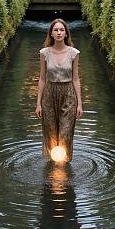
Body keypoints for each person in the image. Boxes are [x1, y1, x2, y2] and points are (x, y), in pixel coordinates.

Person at [35, 19, 83, 162]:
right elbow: (42, 79)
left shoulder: (74, 53)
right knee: (51, 133)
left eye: (62, 30)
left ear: (66, 33)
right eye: (55, 30)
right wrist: (38, 103)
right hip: (49, 94)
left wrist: (80, 104)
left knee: (65, 132)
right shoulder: (44, 53)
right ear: (51, 33)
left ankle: (63, 163)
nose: (59, 32)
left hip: (68, 94)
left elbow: (76, 79)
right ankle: (53, 165)